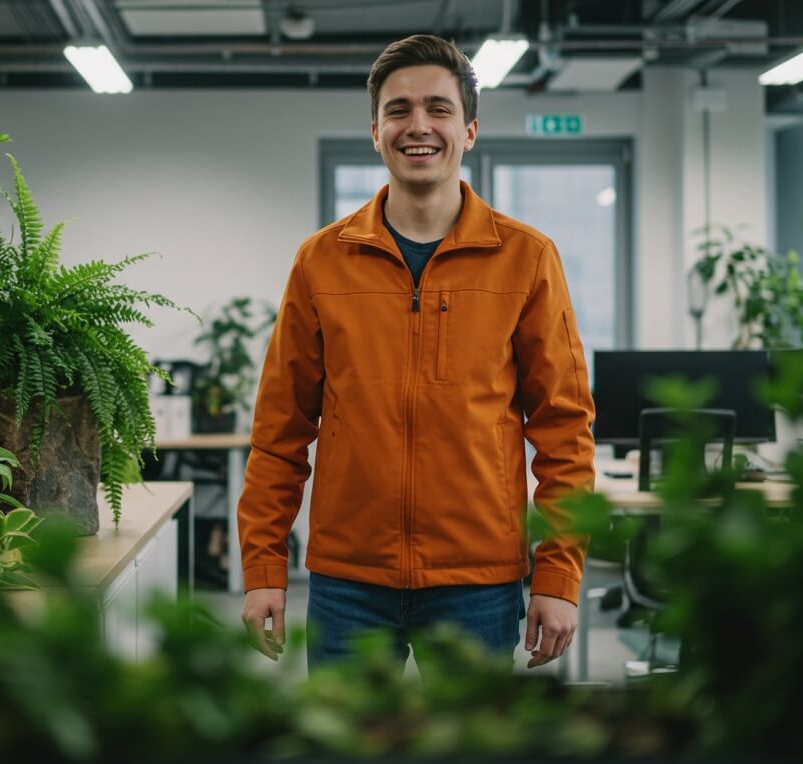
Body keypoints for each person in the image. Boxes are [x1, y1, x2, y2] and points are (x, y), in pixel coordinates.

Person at [236, 34, 596, 674]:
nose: (418, 126)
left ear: (471, 129)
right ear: (375, 131)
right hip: (349, 581)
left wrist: (558, 575)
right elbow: (279, 431)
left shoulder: (527, 258)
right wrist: (264, 567)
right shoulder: (321, 260)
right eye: (399, 110)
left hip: (478, 580)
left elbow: (565, 431)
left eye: (439, 108)